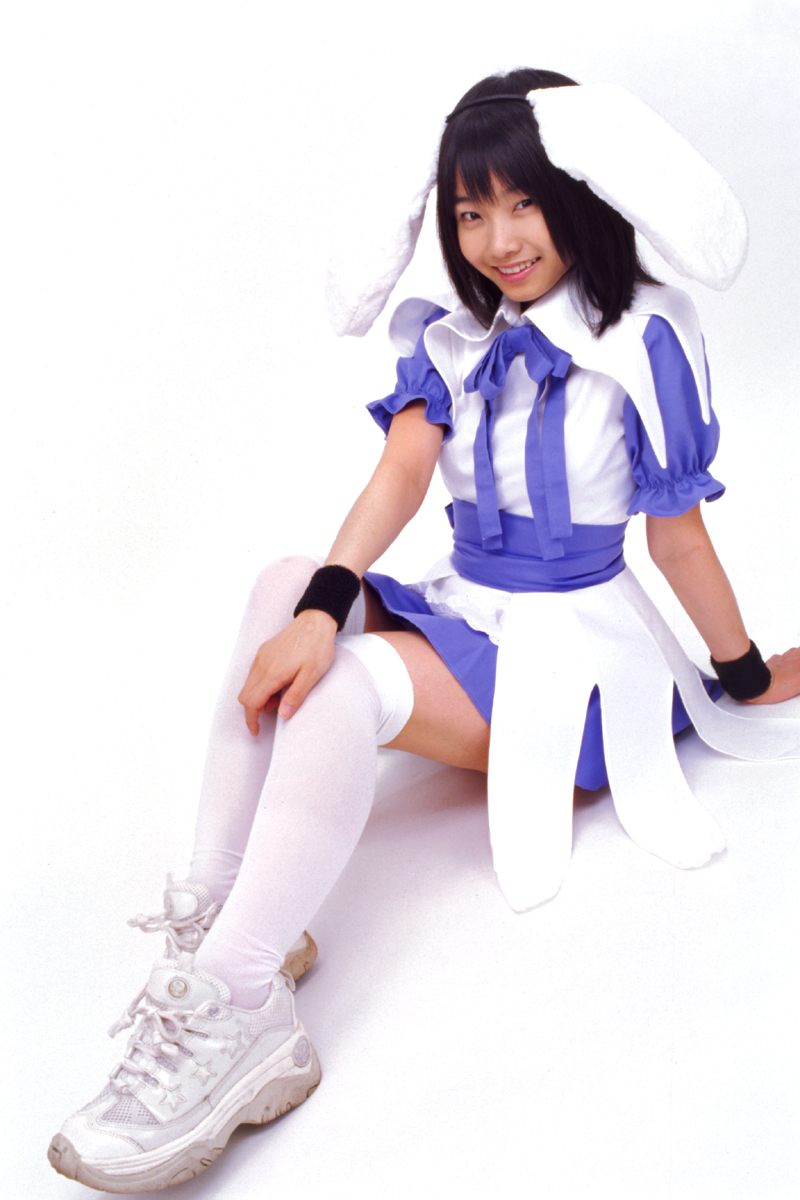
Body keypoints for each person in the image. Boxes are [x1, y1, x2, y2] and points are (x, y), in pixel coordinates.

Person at [48, 68, 800, 1193]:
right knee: (284, 584)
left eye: (524, 203)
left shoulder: (646, 335)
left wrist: (735, 674)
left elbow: (678, 538)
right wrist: (320, 606)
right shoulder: (450, 338)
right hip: (471, 609)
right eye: (469, 211)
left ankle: (245, 1008)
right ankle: (218, 918)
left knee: (346, 686)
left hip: (573, 665)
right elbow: (401, 473)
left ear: (577, 194)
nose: (499, 240)